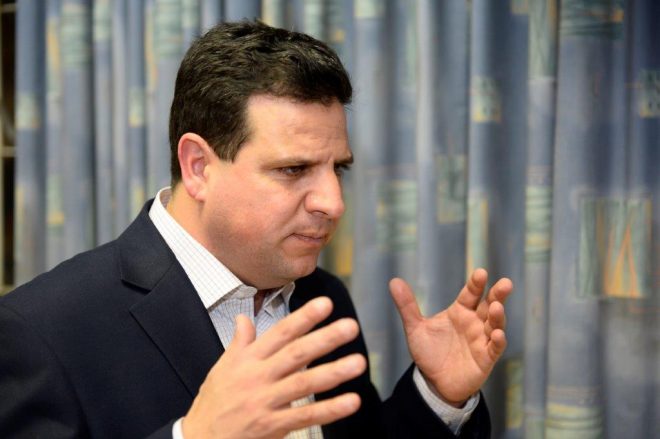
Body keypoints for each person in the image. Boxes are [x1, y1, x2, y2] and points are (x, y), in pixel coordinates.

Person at [0, 21, 512, 439]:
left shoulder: (322, 299)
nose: (333, 203)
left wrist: (438, 396)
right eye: (293, 169)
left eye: (338, 169)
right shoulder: (41, 330)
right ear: (199, 167)